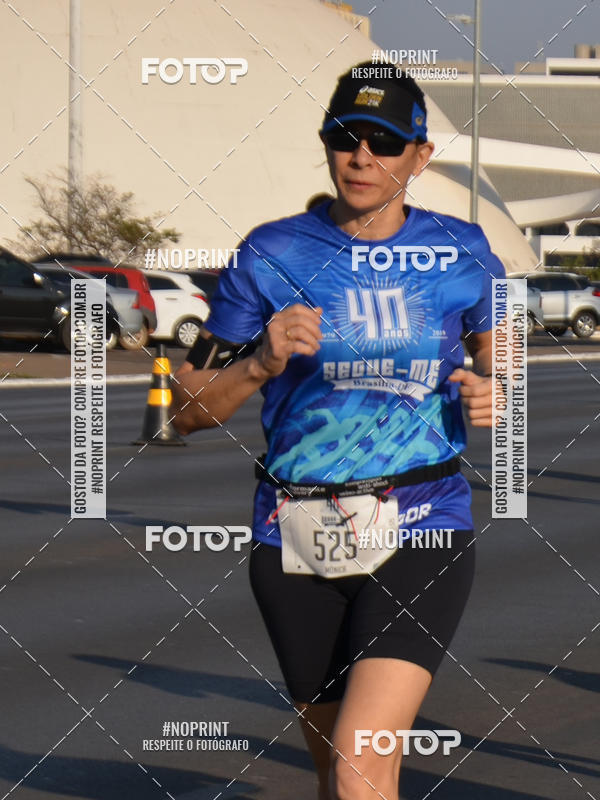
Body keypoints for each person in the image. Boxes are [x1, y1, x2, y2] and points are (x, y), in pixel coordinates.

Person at [172, 61, 504, 800]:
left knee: (360, 763)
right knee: (336, 775)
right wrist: (260, 361)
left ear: (420, 156)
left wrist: (496, 391)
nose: (362, 157)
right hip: (294, 533)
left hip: (421, 524)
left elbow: (500, 363)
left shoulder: (464, 251)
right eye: (345, 138)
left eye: (385, 142)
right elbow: (179, 411)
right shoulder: (270, 254)